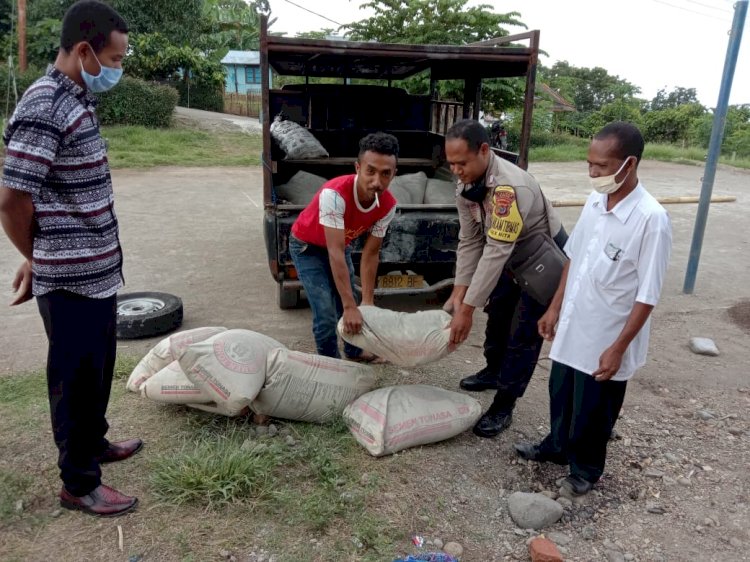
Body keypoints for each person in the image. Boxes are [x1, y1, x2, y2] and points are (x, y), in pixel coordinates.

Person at [0, 1, 141, 517]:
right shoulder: (44, 104)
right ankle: (78, 483)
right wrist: (37, 257)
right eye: (115, 57)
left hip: (97, 272)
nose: (119, 68)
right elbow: (13, 199)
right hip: (70, 279)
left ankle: (96, 443)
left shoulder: (77, 96)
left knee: (98, 370)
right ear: (84, 51)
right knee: (74, 380)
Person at [514, 122, 672, 497]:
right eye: (589, 164)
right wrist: (553, 309)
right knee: (561, 389)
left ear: (629, 164)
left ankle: (585, 469)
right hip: (574, 322)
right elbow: (574, 257)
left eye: (600, 166)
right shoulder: (595, 202)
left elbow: (647, 294)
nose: (592, 173)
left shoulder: (651, 219)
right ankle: (555, 446)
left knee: (594, 407)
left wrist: (618, 347)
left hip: (608, 333)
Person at [443, 119, 567, 437]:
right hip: (506, 258)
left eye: (462, 162)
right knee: (497, 316)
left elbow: (496, 249)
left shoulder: (509, 188)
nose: (456, 170)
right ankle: (492, 371)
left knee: (523, 333)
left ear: (484, 150)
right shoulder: (466, 184)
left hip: (540, 259)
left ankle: (504, 404)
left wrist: (466, 310)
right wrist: (459, 292)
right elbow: (470, 240)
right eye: (451, 163)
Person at [289, 132, 399, 360]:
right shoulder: (334, 194)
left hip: (340, 245)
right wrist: (350, 307)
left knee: (354, 305)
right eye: (370, 171)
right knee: (327, 313)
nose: (377, 182)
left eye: (385, 174)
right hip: (307, 247)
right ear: (358, 167)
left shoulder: (388, 205)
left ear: (394, 174)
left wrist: (367, 303)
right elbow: (335, 252)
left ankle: (354, 351)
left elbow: (371, 253)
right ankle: (332, 366)